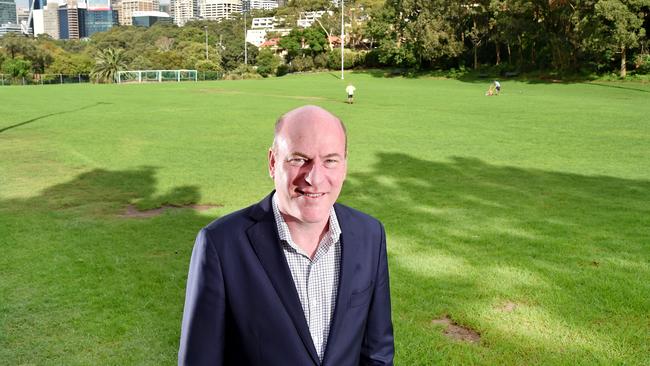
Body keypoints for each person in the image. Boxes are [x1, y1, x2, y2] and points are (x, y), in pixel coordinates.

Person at [178, 105, 394, 366]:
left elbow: (377, 354)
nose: (314, 178)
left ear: (345, 165)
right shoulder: (221, 245)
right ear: (272, 162)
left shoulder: (369, 235)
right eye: (299, 159)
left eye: (330, 160)